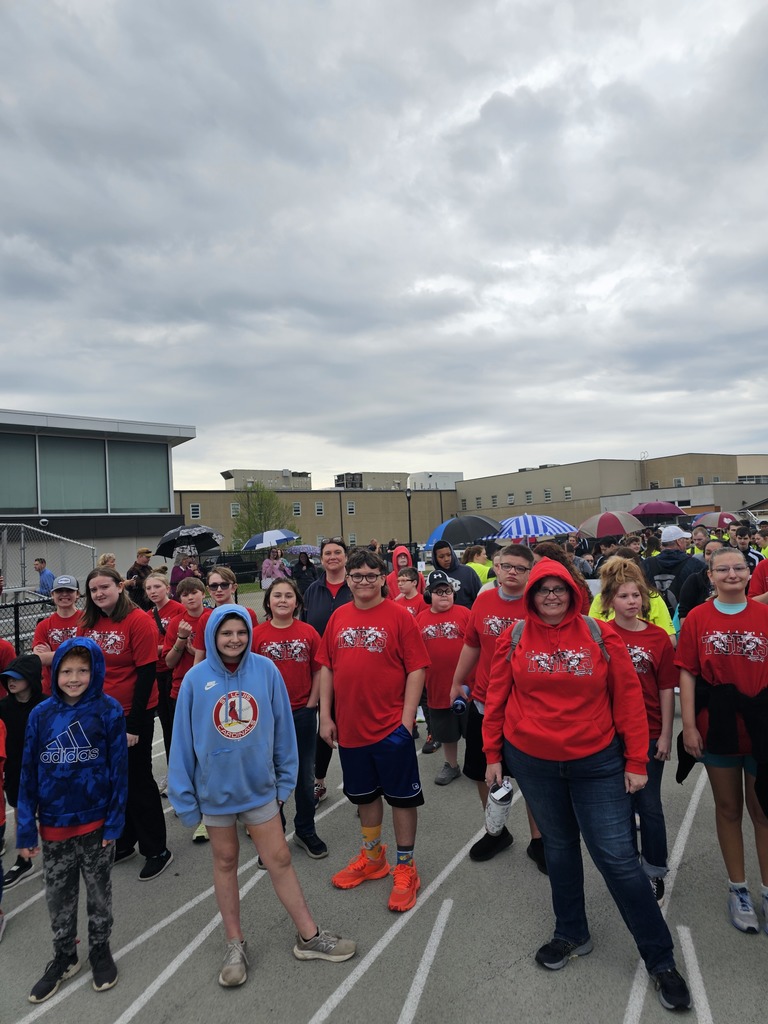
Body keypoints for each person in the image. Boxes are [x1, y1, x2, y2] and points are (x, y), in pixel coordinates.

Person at [483, 559, 691, 1012]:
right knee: (558, 847)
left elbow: (629, 700)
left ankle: (660, 960)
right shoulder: (514, 636)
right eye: (543, 590)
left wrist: (637, 760)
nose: (552, 596)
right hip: (534, 761)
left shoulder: (601, 634)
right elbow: (496, 696)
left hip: (596, 761)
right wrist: (493, 755)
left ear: (575, 593)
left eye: (560, 589)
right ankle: (571, 931)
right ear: (532, 594)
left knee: (617, 857)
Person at [168, 606, 356, 987]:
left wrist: (285, 781)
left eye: (240, 632)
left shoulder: (265, 670)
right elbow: (183, 743)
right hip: (216, 793)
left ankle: (309, 935)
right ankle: (234, 943)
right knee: (225, 862)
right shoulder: (194, 679)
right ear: (212, 637)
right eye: (226, 633)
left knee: (280, 859)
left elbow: (283, 728)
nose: (234, 639)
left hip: (259, 789)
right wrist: (185, 800)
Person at [318, 549, 429, 913]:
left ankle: (405, 865)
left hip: (390, 727)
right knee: (364, 796)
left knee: (401, 798)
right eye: (357, 575)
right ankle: (373, 857)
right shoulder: (338, 617)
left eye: (371, 575)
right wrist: (326, 716)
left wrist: (407, 720)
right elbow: (328, 668)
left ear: (384, 578)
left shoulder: (399, 616)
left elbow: (417, 668)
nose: (364, 581)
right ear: (347, 579)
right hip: (350, 729)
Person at [17, 638, 127, 1002]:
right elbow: (28, 772)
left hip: (96, 826)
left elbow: (118, 772)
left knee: (99, 893)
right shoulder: (41, 714)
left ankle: (100, 948)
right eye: (67, 671)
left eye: (83, 670)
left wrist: (114, 822)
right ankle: (64, 955)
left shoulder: (109, 710)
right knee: (58, 896)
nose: (75, 677)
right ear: (55, 673)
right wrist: (25, 828)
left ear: (95, 671)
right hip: (53, 826)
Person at [676, 546, 768, 935]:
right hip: (718, 723)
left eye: (739, 568)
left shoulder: (765, 614)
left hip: (762, 721)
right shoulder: (698, 618)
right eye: (723, 569)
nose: (732, 574)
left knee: (764, 809)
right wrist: (692, 727)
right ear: (709, 576)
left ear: (750, 573)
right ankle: (739, 888)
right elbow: (687, 673)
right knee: (728, 808)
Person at [450, 544, 544, 866]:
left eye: (520, 568)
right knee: (483, 772)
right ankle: (496, 831)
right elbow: (472, 644)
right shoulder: (484, 601)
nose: (513, 572)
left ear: (530, 572)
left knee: (531, 776)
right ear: (497, 567)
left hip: (525, 706)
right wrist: (455, 681)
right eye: (507, 566)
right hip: (484, 701)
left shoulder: (538, 605)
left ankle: (539, 839)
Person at [78, 567, 172, 880]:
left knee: (137, 779)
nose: (99, 594)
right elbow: (82, 667)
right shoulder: (88, 622)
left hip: (134, 713)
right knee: (112, 780)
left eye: (104, 587)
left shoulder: (138, 620)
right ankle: (125, 839)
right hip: (99, 713)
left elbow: (146, 674)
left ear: (120, 586)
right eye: (93, 590)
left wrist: (133, 725)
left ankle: (156, 847)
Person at [595, 558, 677, 904]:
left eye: (636, 595)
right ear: (610, 601)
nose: (631, 601)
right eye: (623, 595)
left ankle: (654, 869)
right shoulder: (599, 634)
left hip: (649, 731)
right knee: (620, 806)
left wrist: (665, 734)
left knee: (649, 804)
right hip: (610, 734)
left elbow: (665, 688)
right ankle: (629, 869)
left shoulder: (658, 637)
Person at [253, 579, 327, 859]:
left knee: (304, 776)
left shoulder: (308, 632)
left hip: (302, 713)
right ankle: (274, 834)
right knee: (270, 777)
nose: (282, 600)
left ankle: (305, 829)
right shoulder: (257, 635)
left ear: (297, 602)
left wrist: (311, 704)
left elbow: (319, 670)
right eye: (276, 595)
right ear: (268, 602)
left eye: (288, 596)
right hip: (268, 718)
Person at [302, 538, 353, 806]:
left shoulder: (356, 585)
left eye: (337, 553)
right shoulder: (312, 590)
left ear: (346, 557)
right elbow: (305, 629)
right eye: (327, 553)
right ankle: (319, 782)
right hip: (322, 672)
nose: (332, 557)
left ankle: (361, 783)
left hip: (353, 669)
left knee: (354, 728)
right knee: (325, 727)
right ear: (321, 559)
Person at [416, 571, 471, 785]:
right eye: (438, 592)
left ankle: (480, 764)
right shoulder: (420, 619)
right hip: (438, 687)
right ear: (429, 594)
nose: (444, 595)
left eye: (447, 591)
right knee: (447, 733)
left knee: (474, 730)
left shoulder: (465, 613)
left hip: (468, 687)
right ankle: (452, 765)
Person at [1, 654, 46, 889]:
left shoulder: (47, 705)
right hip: (15, 769)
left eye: (16, 678)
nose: (11, 682)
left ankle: (54, 859)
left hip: (43, 769)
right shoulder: (3, 708)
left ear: (30, 679)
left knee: (47, 813)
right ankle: (24, 860)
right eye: (8, 678)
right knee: (21, 813)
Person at [144, 572, 183, 766]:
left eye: (157, 587)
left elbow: (181, 640)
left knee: (178, 723)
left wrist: (159, 648)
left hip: (174, 671)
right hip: (157, 672)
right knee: (165, 723)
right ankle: (172, 770)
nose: (153, 591)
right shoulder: (148, 615)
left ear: (167, 588)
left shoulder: (178, 610)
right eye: (149, 588)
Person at [33, 575, 83, 694]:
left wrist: (51, 654)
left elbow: (88, 656)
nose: (64, 594)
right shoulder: (43, 625)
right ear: (52, 595)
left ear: (77, 594)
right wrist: (76, 651)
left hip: (81, 687)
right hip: (51, 688)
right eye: (59, 591)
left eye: (69, 590)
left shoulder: (87, 620)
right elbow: (41, 659)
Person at [431, 541, 480, 608]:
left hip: (467, 615)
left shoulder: (468, 572)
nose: (446, 559)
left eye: (449, 555)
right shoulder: (434, 577)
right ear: (435, 559)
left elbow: (479, 598)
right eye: (441, 557)